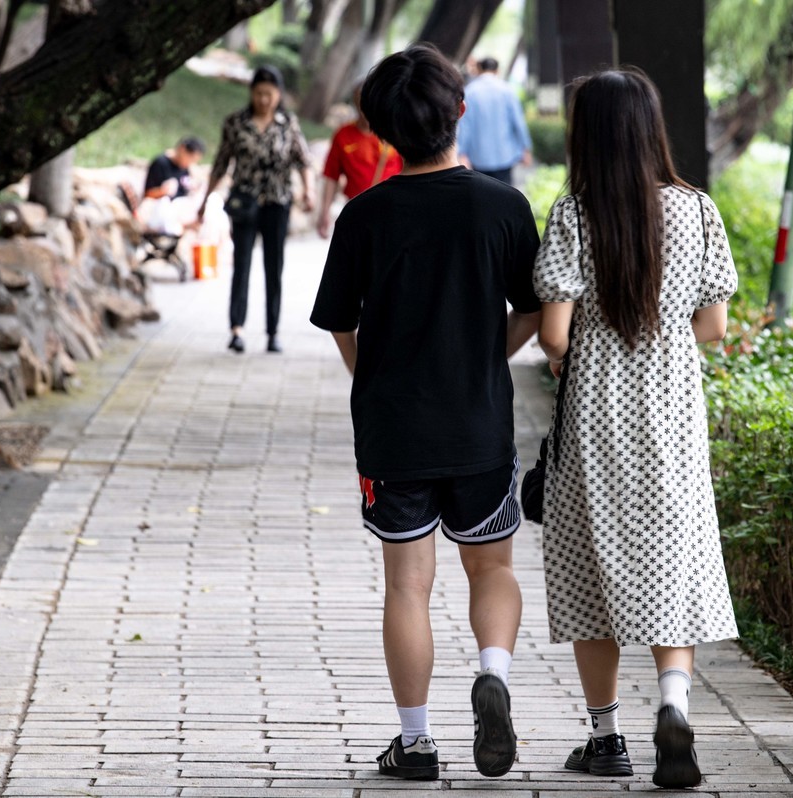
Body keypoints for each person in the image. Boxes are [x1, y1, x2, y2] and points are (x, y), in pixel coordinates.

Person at [310, 44, 541, 782]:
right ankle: (495, 674)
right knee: (493, 566)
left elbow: (341, 322)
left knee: (407, 582)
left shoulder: (365, 215)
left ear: (378, 131)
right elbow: (535, 311)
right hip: (479, 426)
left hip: (394, 431)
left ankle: (414, 744)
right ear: (461, 112)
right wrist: (482, 357)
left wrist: (373, 375)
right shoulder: (504, 207)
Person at [533, 67, 739, 789]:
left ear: (586, 135)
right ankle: (675, 706)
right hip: (673, 416)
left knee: (592, 569)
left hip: (596, 418)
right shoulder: (696, 210)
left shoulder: (573, 215)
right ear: (652, 128)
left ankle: (606, 738)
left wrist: (570, 353)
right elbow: (712, 326)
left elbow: (554, 335)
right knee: (669, 560)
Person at [199, 65, 313, 355]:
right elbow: (221, 163)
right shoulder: (235, 123)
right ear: (251, 92)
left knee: (274, 268)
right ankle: (236, 329)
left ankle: (273, 331)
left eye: (270, 94)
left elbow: (303, 160)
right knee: (242, 264)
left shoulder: (288, 123)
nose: (264, 100)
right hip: (244, 203)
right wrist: (205, 201)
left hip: (278, 202)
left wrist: (308, 191)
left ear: (278, 95)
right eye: (259, 93)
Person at [317, 83, 404, 239]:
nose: (364, 109)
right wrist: (325, 212)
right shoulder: (343, 135)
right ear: (355, 103)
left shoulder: (393, 132)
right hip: (357, 209)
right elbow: (331, 175)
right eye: (360, 103)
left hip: (392, 209)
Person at [456, 57, 532, 184]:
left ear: (479, 69)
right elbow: (518, 122)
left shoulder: (470, 92)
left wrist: (462, 152)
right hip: (505, 155)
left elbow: (464, 126)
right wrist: (526, 148)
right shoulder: (507, 90)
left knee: (483, 195)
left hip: (479, 156)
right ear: (497, 70)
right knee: (506, 194)